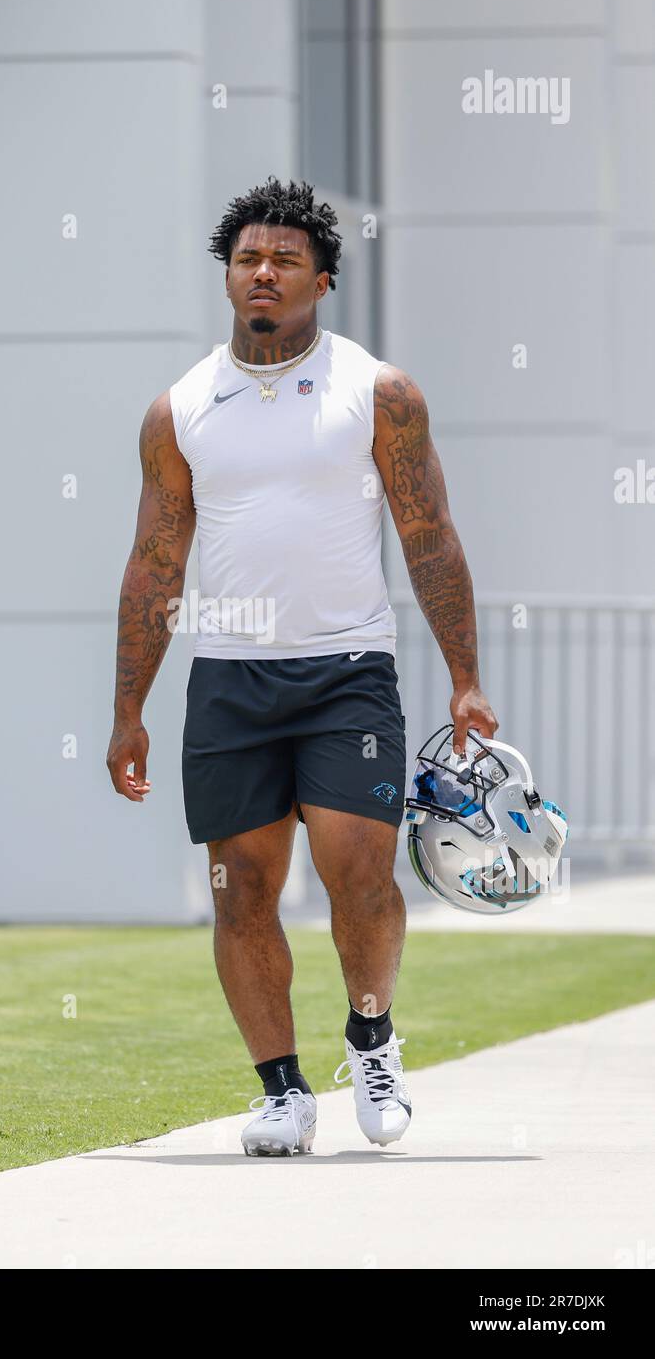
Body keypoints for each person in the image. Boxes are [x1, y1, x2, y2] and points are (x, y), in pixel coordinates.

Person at [106, 176, 498, 1156]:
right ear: (228, 277)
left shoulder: (380, 392)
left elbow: (431, 538)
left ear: (321, 279)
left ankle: (371, 1038)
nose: (264, 273)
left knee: (360, 870)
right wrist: (127, 709)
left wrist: (465, 675)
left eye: (283, 259)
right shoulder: (181, 409)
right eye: (247, 259)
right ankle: (281, 1090)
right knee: (241, 886)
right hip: (230, 679)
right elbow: (157, 562)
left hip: (346, 670)